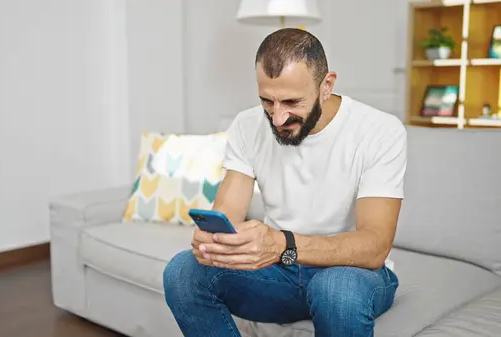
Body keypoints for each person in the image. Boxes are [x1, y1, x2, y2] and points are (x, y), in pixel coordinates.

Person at [163, 28, 407, 337]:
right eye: (268, 101)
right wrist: (214, 243)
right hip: (279, 275)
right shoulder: (247, 125)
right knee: (183, 272)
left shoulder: (380, 131)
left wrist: (283, 245)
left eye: (292, 102)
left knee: (335, 289)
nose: (278, 118)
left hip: (351, 273)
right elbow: (227, 214)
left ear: (326, 85)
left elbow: (374, 247)